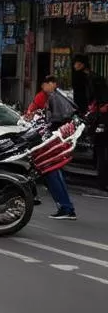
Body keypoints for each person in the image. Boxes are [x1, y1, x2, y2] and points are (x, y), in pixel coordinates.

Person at [25, 75, 77, 220]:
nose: (44, 86)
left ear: (52, 84)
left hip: (52, 141)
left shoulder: (54, 97)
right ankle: (65, 207)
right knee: (54, 174)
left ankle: (66, 208)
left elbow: (55, 119)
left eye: (46, 83)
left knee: (52, 173)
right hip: (55, 140)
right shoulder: (56, 96)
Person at [72, 54, 108, 192]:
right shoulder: (85, 79)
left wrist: (94, 109)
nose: (75, 66)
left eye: (77, 63)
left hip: (99, 120)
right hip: (94, 117)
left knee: (101, 149)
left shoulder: (93, 79)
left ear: (82, 64)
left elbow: (93, 99)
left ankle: (102, 180)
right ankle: (101, 178)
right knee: (99, 149)